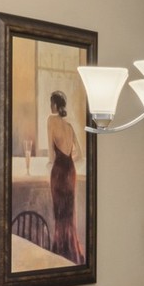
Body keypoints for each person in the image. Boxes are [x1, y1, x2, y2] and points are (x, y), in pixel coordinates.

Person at [47, 91, 85, 264]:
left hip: (59, 172)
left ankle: (59, 250)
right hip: (70, 171)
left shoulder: (50, 121)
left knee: (59, 212)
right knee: (69, 213)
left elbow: (50, 155)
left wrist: (52, 163)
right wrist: (68, 159)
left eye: (51, 103)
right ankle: (71, 251)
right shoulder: (69, 126)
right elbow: (80, 155)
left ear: (54, 105)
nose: (50, 106)